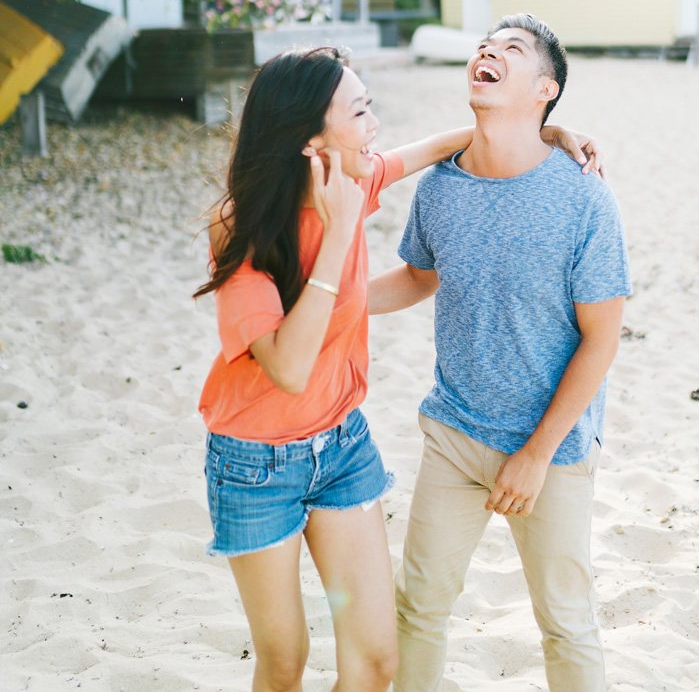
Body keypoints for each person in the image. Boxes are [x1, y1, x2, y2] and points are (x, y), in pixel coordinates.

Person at [195, 44, 601, 692]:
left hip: (343, 446)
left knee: (377, 661)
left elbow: (436, 147)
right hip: (254, 462)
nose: (374, 125)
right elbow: (291, 367)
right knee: (284, 660)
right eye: (359, 111)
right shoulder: (240, 229)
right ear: (310, 140)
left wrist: (541, 127)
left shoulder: (355, 176)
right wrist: (337, 233)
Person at [369, 14, 632, 692]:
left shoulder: (583, 198)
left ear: (544, 88)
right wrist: (333, 303)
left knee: (566, 622)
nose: (488, 50)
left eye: (511, 49)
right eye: (486, 44)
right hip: (455, 433)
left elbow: (602, 337)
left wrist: (536, 454)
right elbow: (422, 276)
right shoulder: (441, 187)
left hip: (554, 450)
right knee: (419, 607)